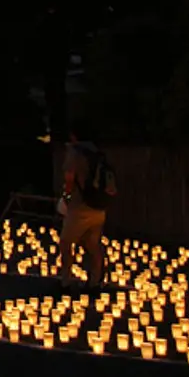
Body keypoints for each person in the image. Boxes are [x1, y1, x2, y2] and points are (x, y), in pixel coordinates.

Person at [59, 120, 116, 292]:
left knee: (66, 242)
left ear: (74, 135)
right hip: (99, 206)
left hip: (80, 207)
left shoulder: (75, 153)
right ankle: (95, 281)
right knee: (93, 244)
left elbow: (69, 178)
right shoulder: (98, 153)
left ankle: (66, 282)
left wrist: (66, 197)